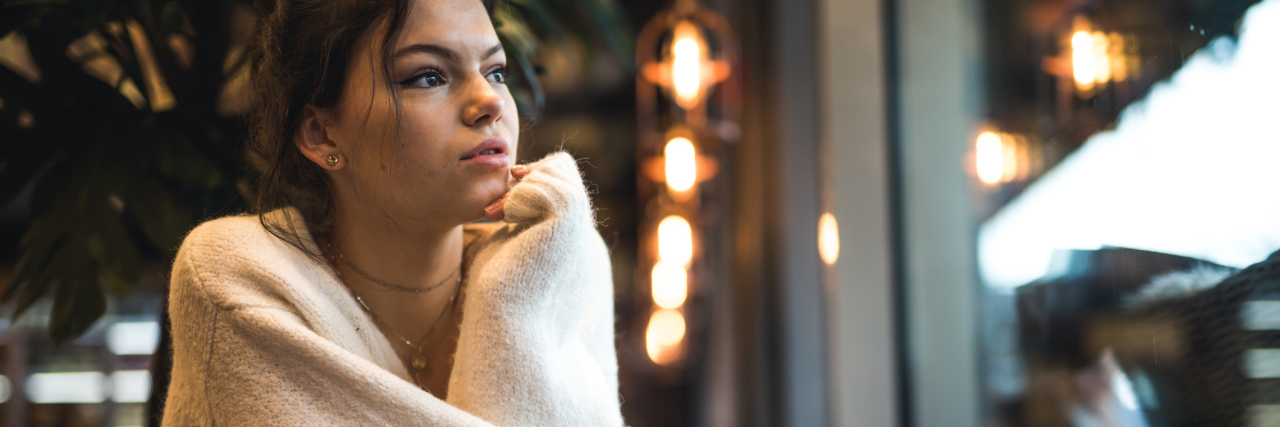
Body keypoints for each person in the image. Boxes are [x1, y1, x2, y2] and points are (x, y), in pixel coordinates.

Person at [160, 0, 623, 425]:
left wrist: (520, 292)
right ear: (321, 134)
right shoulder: (236, 276)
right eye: (428, 76)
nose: (491, 103)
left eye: (496, 71)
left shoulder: (561, 256)